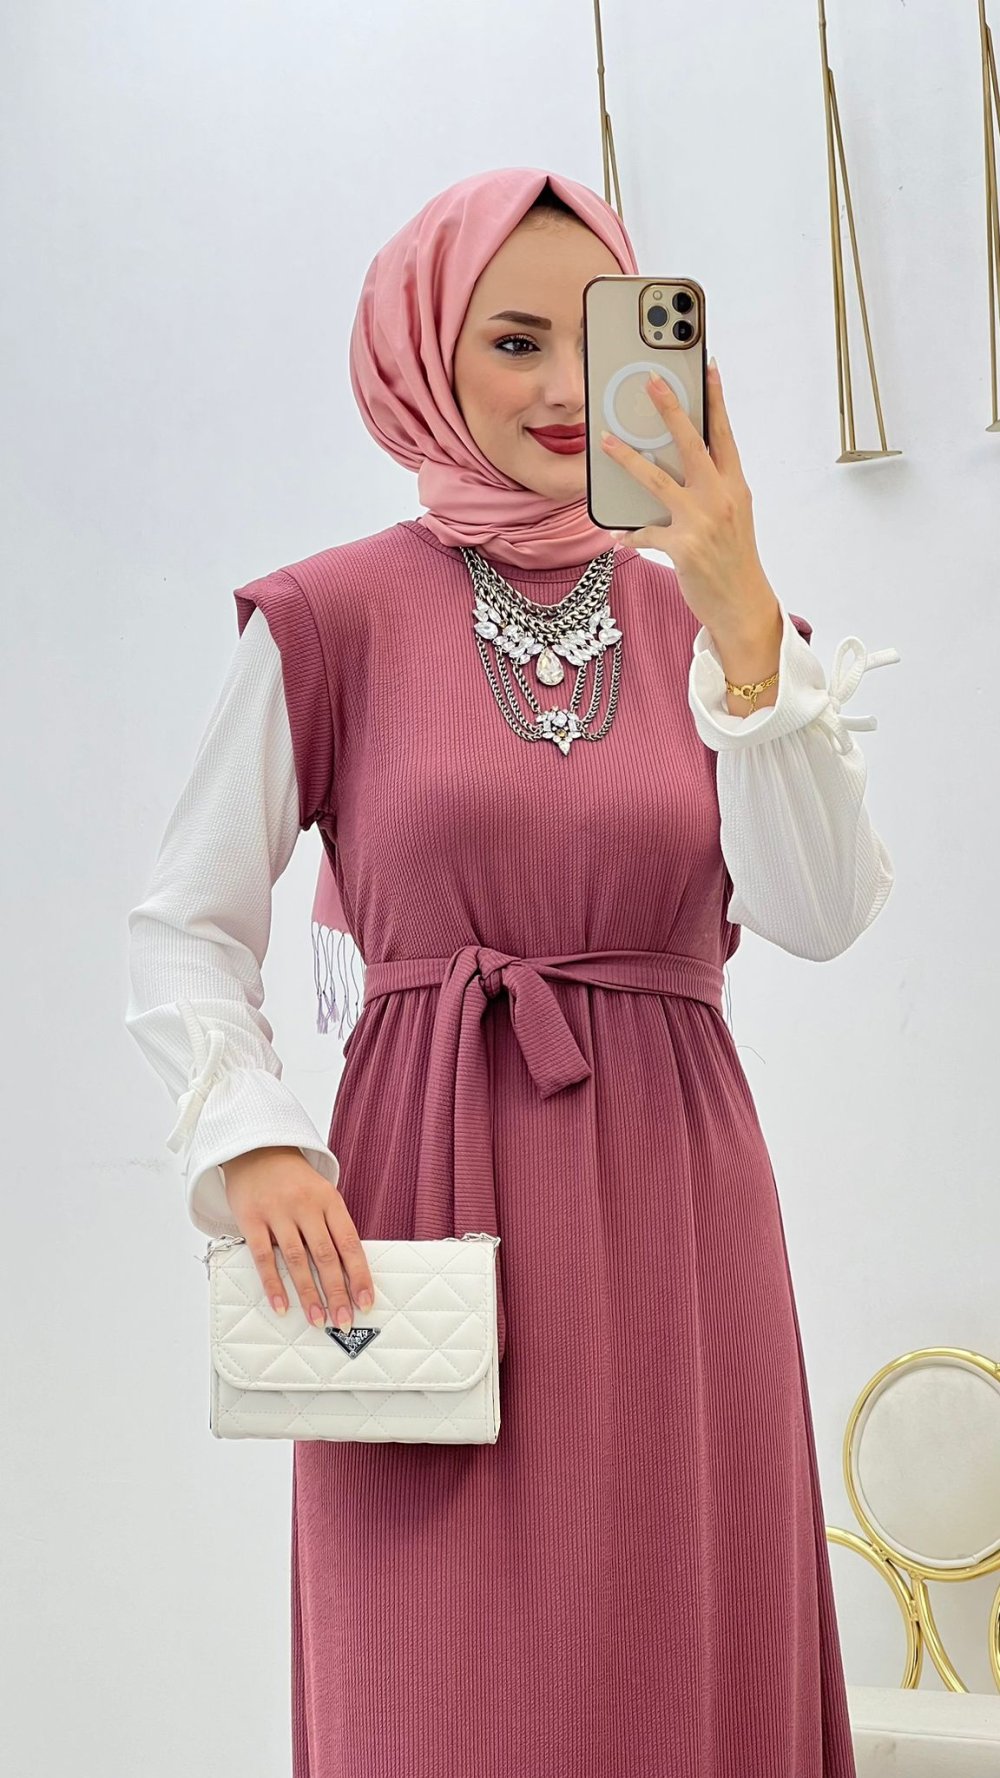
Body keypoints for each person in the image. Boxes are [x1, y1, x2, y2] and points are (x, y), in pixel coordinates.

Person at [125, 166, 898, 1778]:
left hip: (682, 1213)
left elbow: (819, 911)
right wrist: (251, 1137)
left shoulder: (716, 625)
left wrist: (745, 612)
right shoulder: (329, 615)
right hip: (422, 1212)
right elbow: (186, 917)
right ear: (426, 353)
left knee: (685, 1630)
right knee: (444, 1679)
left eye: (596, 339)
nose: (561, 386)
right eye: (515, 340)